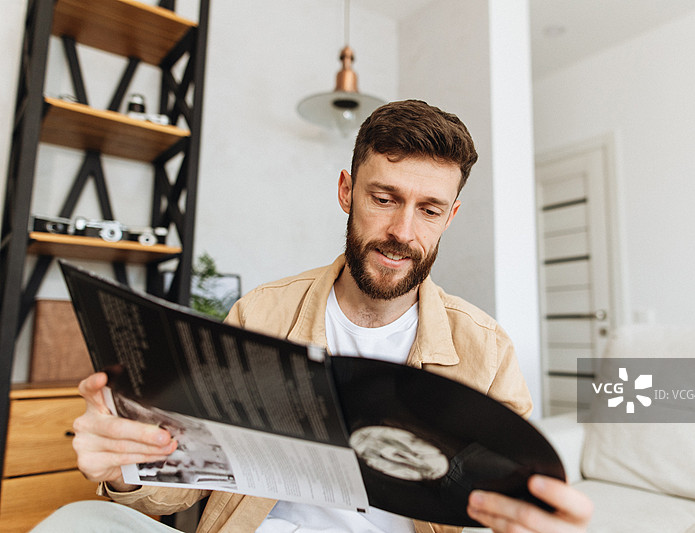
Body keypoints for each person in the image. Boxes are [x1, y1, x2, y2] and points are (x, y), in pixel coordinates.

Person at [34, 100, 592, 533]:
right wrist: (125, 466)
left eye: (430, 210)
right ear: (347, 192)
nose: (403, 231)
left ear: (451, 215)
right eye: (384, 198)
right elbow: (185, 486)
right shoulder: (260, 313)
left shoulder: (487, 351)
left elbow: (502, 508)